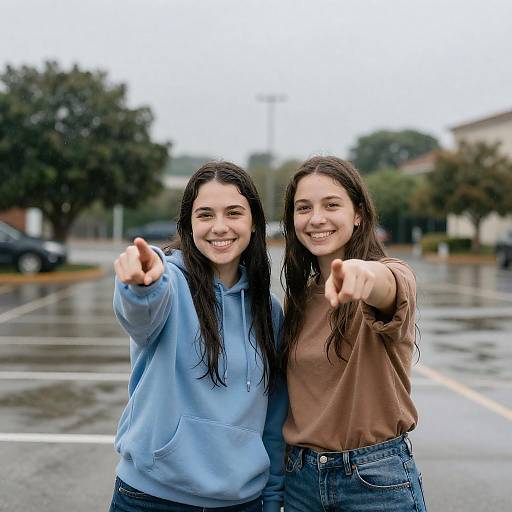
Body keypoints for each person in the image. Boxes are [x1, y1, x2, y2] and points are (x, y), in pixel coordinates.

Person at [109, 162, 287, 512]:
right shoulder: (169, 285)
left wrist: (273, 497)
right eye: (205, 214)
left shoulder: (269, 310)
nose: (219, 227)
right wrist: (141, 283)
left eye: (233, 213)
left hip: (242, 503)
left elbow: (274, 418)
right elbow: (141, 312)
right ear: (189, 225)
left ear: (253, 222)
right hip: (150, 498)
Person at [280, 156, 427, 511]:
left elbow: (389, 286)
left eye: (331, 205)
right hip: (301, 480)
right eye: (304, 208)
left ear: (358, 214)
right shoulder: (298, 298)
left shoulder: (389, 274)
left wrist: (364, 275)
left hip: (374, 479)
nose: (316, 218)